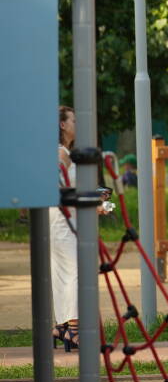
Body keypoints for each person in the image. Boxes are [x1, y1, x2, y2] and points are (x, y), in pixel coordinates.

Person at [51, 106, 79, 352]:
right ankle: (75, 328)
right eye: (74, 121)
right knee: (75, 270)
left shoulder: (62, 151)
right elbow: (59, 182)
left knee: (61, 272)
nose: (77, 125)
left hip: (58, 218)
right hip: (63, 219)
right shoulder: (62, 153)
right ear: (62, 125)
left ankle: (61, 325)